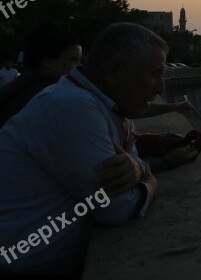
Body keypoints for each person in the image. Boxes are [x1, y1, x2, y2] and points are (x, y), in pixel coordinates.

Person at [0, 23, 164, 277]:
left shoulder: (111, 107)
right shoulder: (72, 106)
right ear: (116, 72)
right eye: (155, 74)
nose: (160, 88)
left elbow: (133, 161)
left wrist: (139, 168)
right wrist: (150, 181)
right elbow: (116, 207)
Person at [0, 25, 82, 129]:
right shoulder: (54, 95)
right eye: (73, 60)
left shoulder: (16, 87)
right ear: (47, 62)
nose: (80, 66)